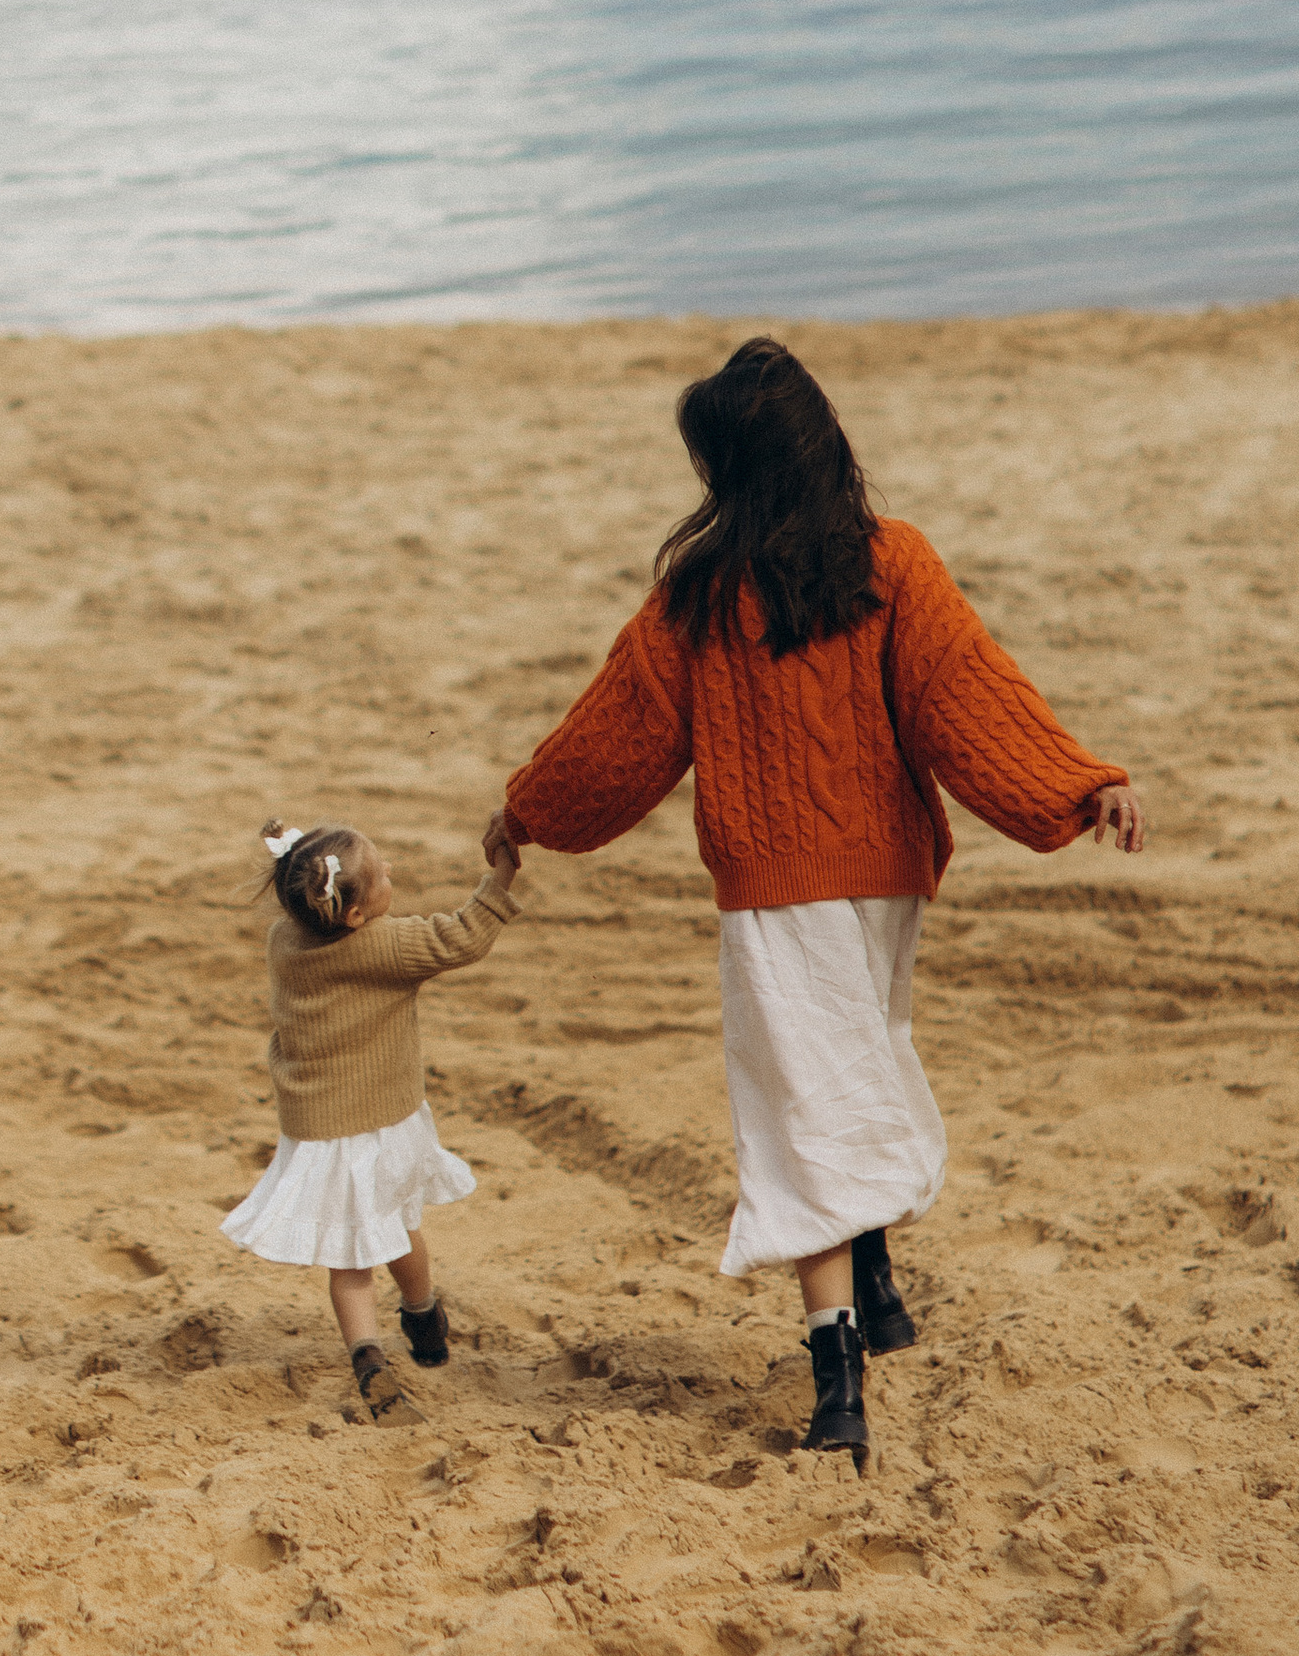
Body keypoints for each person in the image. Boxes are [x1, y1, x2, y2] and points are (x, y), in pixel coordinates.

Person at [483, 338, 1145, 1469]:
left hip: (778, 887)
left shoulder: (699, 599)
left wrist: (524, 811)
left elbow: (616, 743)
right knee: (854, 1063)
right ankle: (875, 1282)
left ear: (726, 471)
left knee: (808, 1111)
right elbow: (967, 696)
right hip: (885, 875)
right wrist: (1077, 782)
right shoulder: (891, 561)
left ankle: (837, 1385)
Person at [221, 819, 522, 1421]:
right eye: (381, 874)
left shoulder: (284, 939)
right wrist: (502, 876)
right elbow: (462, 938)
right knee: (401, 1223)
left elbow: (311, 896)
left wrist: (297, 859)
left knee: (351, 1259)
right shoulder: (382, 946)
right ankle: (422, 1311)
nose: (390, 873)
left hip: (318, 1131)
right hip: (385, 1121)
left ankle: (367, 1356)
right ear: (355, 914)